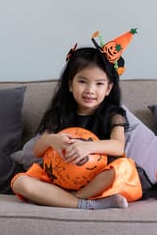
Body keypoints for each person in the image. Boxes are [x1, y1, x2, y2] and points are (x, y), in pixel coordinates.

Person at [11, 30, 142, 210]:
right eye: (82, 81)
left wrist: (90, 146)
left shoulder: (113, 114)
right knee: (20, 183)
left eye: (99, 84)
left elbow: (118, 146)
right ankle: (87, 204)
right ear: (70, 84)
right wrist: (51, 140)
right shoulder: (60, 113)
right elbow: (37, 150)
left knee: (124, 167)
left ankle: (70, 199)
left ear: (109, 88)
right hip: (60, 178)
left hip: (97, 180)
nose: (90, 90)